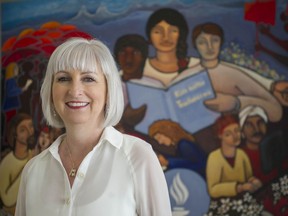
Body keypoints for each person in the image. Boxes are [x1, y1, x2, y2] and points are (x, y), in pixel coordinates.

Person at [15, 37, 172, 216]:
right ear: (51, 91)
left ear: (108, 90)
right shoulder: (33, 170)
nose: (74, 91)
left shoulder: (138, 157)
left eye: (88, 78)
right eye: (63, 78)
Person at [178, 22, 282, 123]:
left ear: (221, 42)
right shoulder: (186, 77)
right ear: (195, 45)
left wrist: (237, 103)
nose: (209, 47)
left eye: (214, 40)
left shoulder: (233, 74)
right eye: (202, 42)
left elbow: (276, 111)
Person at [206, 114, 262, 198]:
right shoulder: (214, 157)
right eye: (228, 134)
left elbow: (249, 177)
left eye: (237, 131)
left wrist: (254, 181)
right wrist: (239, 188)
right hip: (225, 202)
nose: (235, 136)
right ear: (220, 136)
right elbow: (213, 189)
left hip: (245, 197)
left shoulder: (241, 154)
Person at [143, 8, 198, 86]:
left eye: (172, 31)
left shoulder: (198, 67)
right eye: (158, 32)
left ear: (181, 34)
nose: (165, 37)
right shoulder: (138, 68)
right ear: (149, 36)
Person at [239, 105, 288, 185]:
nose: (257, 129)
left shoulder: (277, 147)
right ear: (242, 132)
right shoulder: (240, 155)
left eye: (260, 122)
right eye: (249, 125)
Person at [0, 112, 35, 215]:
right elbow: (8, 200)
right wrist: (29, 164)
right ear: (15, 135)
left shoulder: (35, 156)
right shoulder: (7, 162)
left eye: (31, 126)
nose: (30, 132)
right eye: (23, 130)